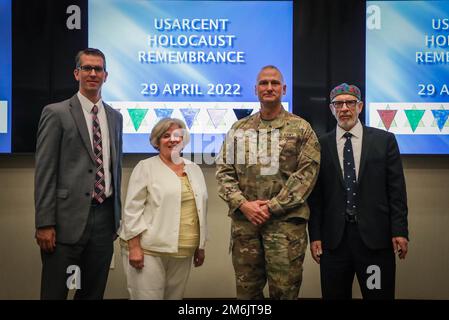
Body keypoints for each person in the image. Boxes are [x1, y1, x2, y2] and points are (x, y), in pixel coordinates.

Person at [216, 65, 320, 299]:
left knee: (284, 293)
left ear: (283, 89)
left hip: (285, 228)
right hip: (246, 226)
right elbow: (224, 172)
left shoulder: (302, 129)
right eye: (264, 83)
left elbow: (306, 176)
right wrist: (244, 205)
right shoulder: (239, 129)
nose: (269, 87)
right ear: (256, 89)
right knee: (247, 294)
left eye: (274, 83)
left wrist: (271, 207)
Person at [34, 48, 123, 299]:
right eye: (87, 68)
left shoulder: (115, 118)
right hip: (64, 224)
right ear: (76, 73)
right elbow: (45, 172)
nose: (93, 73)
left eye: (98, 69)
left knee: (92, 293)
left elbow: (114, 169)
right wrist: (44, 222)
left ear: (106, 76)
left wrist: (116, 219)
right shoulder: (56, 113)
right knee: (55, 292)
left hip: (105, 221)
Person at [308, 83, 409, 300]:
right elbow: (315, 197)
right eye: (338, 104)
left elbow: (396, 191)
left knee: (377, 296)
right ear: (331, 109)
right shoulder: (319, 145)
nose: (344, 108)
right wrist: (314, 235)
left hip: (375, 243)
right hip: (334, 244)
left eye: (350, 103)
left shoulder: (384, 141)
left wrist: (399, 230)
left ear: (360, 106)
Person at [119, 118, 208, 300]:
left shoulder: (194, 168)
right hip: (149, 250)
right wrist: (134, 246)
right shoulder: (146, 167)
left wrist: (200, 246)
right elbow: (132, 211)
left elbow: (199, 209)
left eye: (177, 136)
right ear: (157, 141)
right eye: (166, 136)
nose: (173, 140)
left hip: (183, 250)